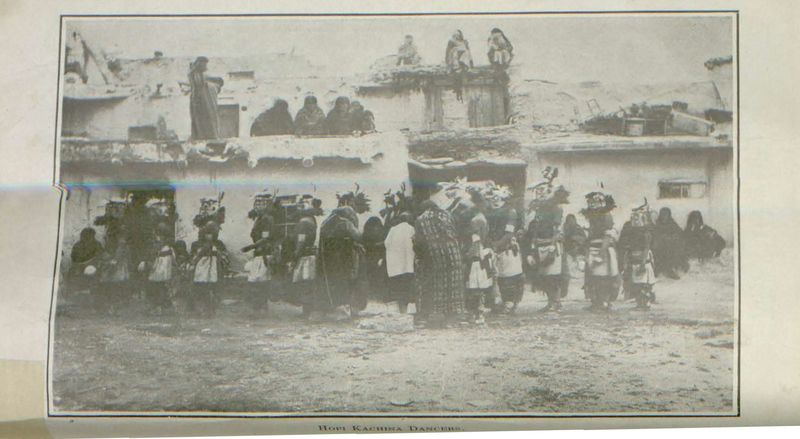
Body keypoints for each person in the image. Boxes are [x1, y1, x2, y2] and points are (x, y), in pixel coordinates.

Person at [413, 200, 466, 327]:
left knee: (438, 283)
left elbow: (419, 243)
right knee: (453, 284)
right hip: (454, 254)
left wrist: (421, 257)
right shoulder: (446, 214)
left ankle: (437, 314)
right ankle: (452, 316)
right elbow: (457, 232)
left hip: (435, 255)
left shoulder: (420, 219)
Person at [318, 206, 363, 318]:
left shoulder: (326, 222)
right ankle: (344, 308)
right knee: (345, 282)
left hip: (328, 259)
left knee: (331, 283)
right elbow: (357, 236)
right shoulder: (345, 223)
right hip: (343, 258)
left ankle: (331, 307)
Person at [581, 190, 620, 312]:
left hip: (604, 249)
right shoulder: (591, 217)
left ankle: (605, 302)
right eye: (590, 202)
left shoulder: (606, 216)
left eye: (595, 202)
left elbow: (608, 236)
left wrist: (601, 253)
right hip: (592, 249)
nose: (592, 204)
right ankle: (596, 302)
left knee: (604, 277)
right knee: (593, 277)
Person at [618, 201, 657, 310]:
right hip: (633, 259)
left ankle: (644, 304)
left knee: (643, 284)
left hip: (642, 260)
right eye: (633, 217)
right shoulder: (632, 231)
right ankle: (640, 304)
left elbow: (646, 248)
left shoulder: (646, 233)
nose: (635, 219)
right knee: (637, 284)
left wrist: (643, 263)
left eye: (637, 217)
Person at [463, 205, 494, 323]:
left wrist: (467, 256)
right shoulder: (483, 219)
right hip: (482, 258)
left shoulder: (476, 221)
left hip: (477, 260)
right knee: (480, 287)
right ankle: (479, 313)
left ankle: (478, 313)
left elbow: (475, 246)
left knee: (476, 287)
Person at [242, 209, 276, 314]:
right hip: (258, 254)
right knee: (258, 282)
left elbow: (265, 239)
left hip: (263, 254)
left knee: (260, 282)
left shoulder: (266, 220)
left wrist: (251, 246)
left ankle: (261, 306)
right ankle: (259, 306)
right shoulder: (259, 219)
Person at [190, 222, 228, 317]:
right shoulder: (198, 244)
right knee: (201, 287)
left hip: (213, 269)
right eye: (207, 234)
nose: (209, 236)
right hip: (202, 268)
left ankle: (211, 309)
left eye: (211, 234)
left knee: (212, 288)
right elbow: (195, 256)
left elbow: (223, 255)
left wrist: (221, 257)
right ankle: (201, 309)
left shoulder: (218, 244)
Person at [384, 212, 416, 314]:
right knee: (406, 286)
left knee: (397, 287)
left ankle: (399, 309)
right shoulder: (412, 229)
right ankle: (405, 309)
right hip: (408, 264)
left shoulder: (393, 229)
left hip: (395, 265)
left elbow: (386, 243)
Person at [288, 212, 319, 318]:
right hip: (310, 256)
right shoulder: (311, 222)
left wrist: (295, 254)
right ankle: (308, 310)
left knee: (305, 284)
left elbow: (301, 241)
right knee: (308, 284)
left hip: (305, 257)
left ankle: (307, 312)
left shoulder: (303, 224)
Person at [145, 223, 177, 315]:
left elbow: (153, 254)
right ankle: (162, 306)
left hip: (158, 268)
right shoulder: (169, 247)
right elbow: (173, 258)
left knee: (156, 286)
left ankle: (158, 307)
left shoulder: (158, 245)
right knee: (162, 286)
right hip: (165, 269)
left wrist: (149, 262)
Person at [188, 56, 221, 140]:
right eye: (204, 64)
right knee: (201, 121)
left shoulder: (199, 75)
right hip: (199, 101)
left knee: (208, 119)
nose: (206, 67)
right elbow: (196, 87)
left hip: (204, 101)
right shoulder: (194, 74)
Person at [653, 207, 689, 279]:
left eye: (666, 215)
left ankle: (680, 264)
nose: (664, 217)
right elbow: (655, 235)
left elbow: (680, 232)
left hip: (672, 246)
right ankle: (667, 270)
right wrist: (665, 237)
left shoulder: (671, 222)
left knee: (679, 245)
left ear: (669, 215)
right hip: (660, 248)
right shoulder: (657, 224)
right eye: (663, 215)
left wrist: (674, 236)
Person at [561, 214, 587, 296]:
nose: (571, 223)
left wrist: (576, 241)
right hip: (567, 253)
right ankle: (564, 292)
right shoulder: (564, 229)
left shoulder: (578, 229)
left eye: (572, 220)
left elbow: (584, 240)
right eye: (569, 221)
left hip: (579, 254)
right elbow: (563, 241)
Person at [445, 30, 474, 103]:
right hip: (455, 61)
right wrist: (448, 62)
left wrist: (471, 62)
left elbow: (468, 51)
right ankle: (458, 91)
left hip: (463, 61)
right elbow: (447, 52)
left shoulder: (464, 42)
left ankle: (463, 66)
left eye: (458, 34)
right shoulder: (451, 41)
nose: (456, 36)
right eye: (455, 35)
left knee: (465, 53)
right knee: (455, 51)